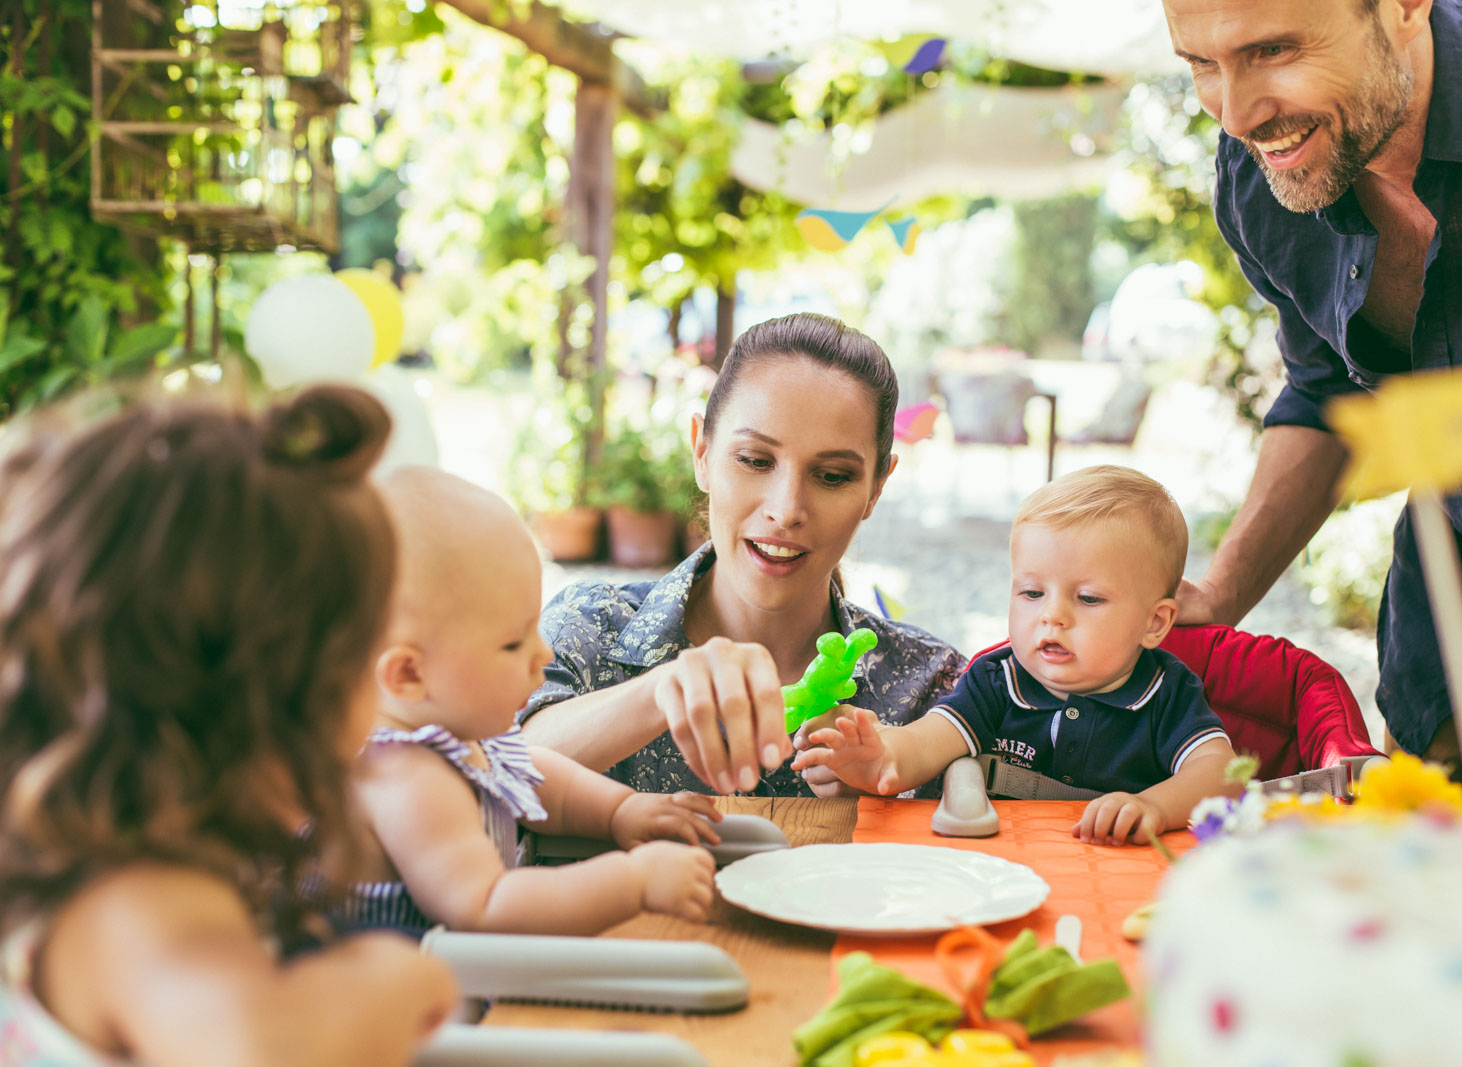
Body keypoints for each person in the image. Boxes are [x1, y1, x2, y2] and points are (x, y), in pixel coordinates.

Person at [1161, 0, 1462, 817]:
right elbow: (1326, 390)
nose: (1238, 111)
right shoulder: (1261, 178)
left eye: (1271, 48)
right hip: (1452, 679)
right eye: (1199, 64)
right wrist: (1218, 595)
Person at [0, 386, 457, 1066]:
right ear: (284, 694)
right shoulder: (142, 900)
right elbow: (259, 1051)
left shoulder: (97, 872)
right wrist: (391, 976)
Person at [520, 314, 966, 798]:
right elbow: (489, 769)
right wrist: (660, 691)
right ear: (702, 452)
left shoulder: (937, 691)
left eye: (833, 476)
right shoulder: (591, 629)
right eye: (755, 460)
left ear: (877, 488)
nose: (786, 509)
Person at [341, 467, 718, 938]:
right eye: (512, 645)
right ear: (409, 675)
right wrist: (634, 881)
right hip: (406, 1006)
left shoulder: (465, 738)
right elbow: (487, 906)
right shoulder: (406, 776)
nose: (542, 653)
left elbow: (541, 777)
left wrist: (619, 810)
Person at [794, 466, 1237, 845]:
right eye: (1032, 592)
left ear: (1155, 623)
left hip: (1118, 869)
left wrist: (1153, 807)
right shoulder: (997, 682)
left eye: (1087, 598)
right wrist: (877, 758)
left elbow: (1222, 774)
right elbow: (926, 741)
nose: (1052, 616)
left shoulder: (1167, 692)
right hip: (1003, 870)